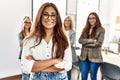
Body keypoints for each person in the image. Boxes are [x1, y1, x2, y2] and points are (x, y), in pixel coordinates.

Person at [21, 2, 72, 80]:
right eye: (45, 14)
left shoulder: (64, 38)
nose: (49, 18)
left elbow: (67, 65)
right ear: (40, 17)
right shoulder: (30, 39)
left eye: (53, 15)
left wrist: (36, 64)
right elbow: (25, 67)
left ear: (57, 18)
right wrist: (55, 60)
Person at [78, 12, 105, 80]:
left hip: (95, 57)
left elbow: (99, 44)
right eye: (90, 18)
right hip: (84, 57)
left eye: (93, 18)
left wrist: (85, 43)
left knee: (93, 76)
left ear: (97, 19)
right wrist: (92, 41)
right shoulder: (85, 29)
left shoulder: (101, 29)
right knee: (83, 75)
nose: (91, 20)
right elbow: (80, 40)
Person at [63, 16, 79, 80]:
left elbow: (71, 44)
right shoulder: (60, 30)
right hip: (60, 53)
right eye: (65, 20)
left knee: (68, 69)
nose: (67, 22)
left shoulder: (73, 32)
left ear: (71, 22)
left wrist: (61, 44)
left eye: (69, 20)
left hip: (69, 53)